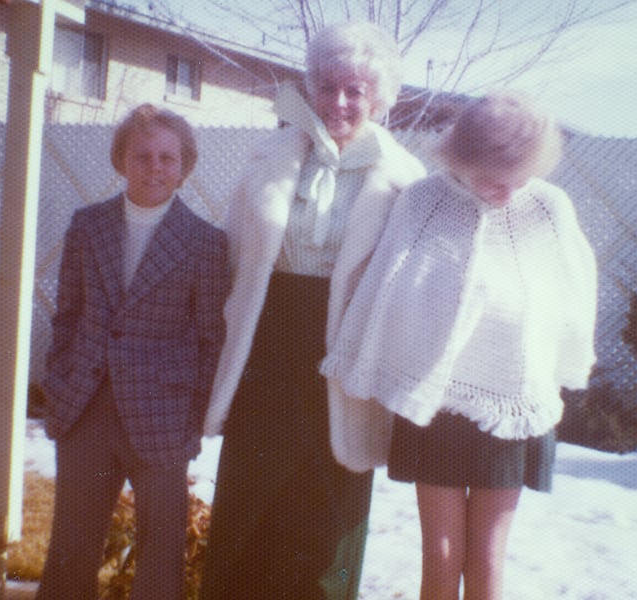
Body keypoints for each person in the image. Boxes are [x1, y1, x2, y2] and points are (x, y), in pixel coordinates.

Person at [321, 90, 598, 599]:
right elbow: (387, 283)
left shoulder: (547, 208)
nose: (506, 192)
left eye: (519, 178)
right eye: (495, 177)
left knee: (488, 558)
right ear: (464, 157)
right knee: (441, 555)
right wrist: (367, 356)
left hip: (511, 404)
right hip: (437, 405)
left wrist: (567, 364)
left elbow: (573, 293)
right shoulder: (424, 201)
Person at [200, 22, 426, 600]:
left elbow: (410, 290)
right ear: (311, 89)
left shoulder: (405, 180)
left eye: (355, 90)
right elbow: (231, 255)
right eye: (328, 87)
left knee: (326, 516)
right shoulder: (270, 156)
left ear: (378, 97)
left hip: (345, 356)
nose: (341, 102)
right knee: (250, 505)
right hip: (267, 346)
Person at [36, 105, 229, 600]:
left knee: (161, 551)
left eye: (167, 157)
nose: (154, 167)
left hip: (162, 415)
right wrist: (59, 383)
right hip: (87, 407)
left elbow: (211, 338)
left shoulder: (205, 243)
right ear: (121, 160)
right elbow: (68, 314)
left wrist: (193, 413)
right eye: (142, 156)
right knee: (72, 545)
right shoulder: (88, 226)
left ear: (184, 166)